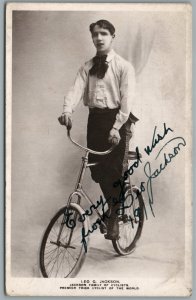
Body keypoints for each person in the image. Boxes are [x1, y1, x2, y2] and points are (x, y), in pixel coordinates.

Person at [58, 19, 138, 240]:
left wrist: (116, 128)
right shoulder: (87, 67)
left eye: (104, 33)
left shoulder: (123, 66)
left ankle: (113, 217)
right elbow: (75, 90)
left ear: (113, 36)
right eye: (95, 34)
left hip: (118, 121)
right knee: (97, 170)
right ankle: (113, 208)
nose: (99, 38)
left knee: (114, 170)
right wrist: (67, 111)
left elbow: (127, 100)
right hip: (95, 121)